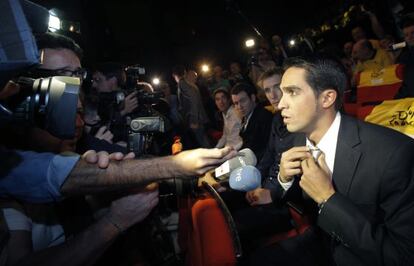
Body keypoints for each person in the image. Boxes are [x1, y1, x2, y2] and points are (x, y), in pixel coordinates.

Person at [251, 55, 414, 266]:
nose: (280, 104)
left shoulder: (394, 155)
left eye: (292, 92)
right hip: (320, 242)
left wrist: (329, 198)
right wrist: (284, 179)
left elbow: (403, 256)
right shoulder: (298, 139)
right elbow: (303, 208)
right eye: (282, 93)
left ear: (327, 98)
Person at [231, 82, 272, 162]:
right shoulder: (247, 115)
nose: (240, 107)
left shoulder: (264, 116)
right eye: (236, 103)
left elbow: (260, 149)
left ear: (253, 98)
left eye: (242, 101)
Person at [172, 65, 211, 148]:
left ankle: (216, 159)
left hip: (194, 119)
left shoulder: (182, 84)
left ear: (174, 75)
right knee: (202, 143)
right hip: (197, 118)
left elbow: (193, 101)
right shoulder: (189, 84)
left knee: (203, 144)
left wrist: (194, 121)